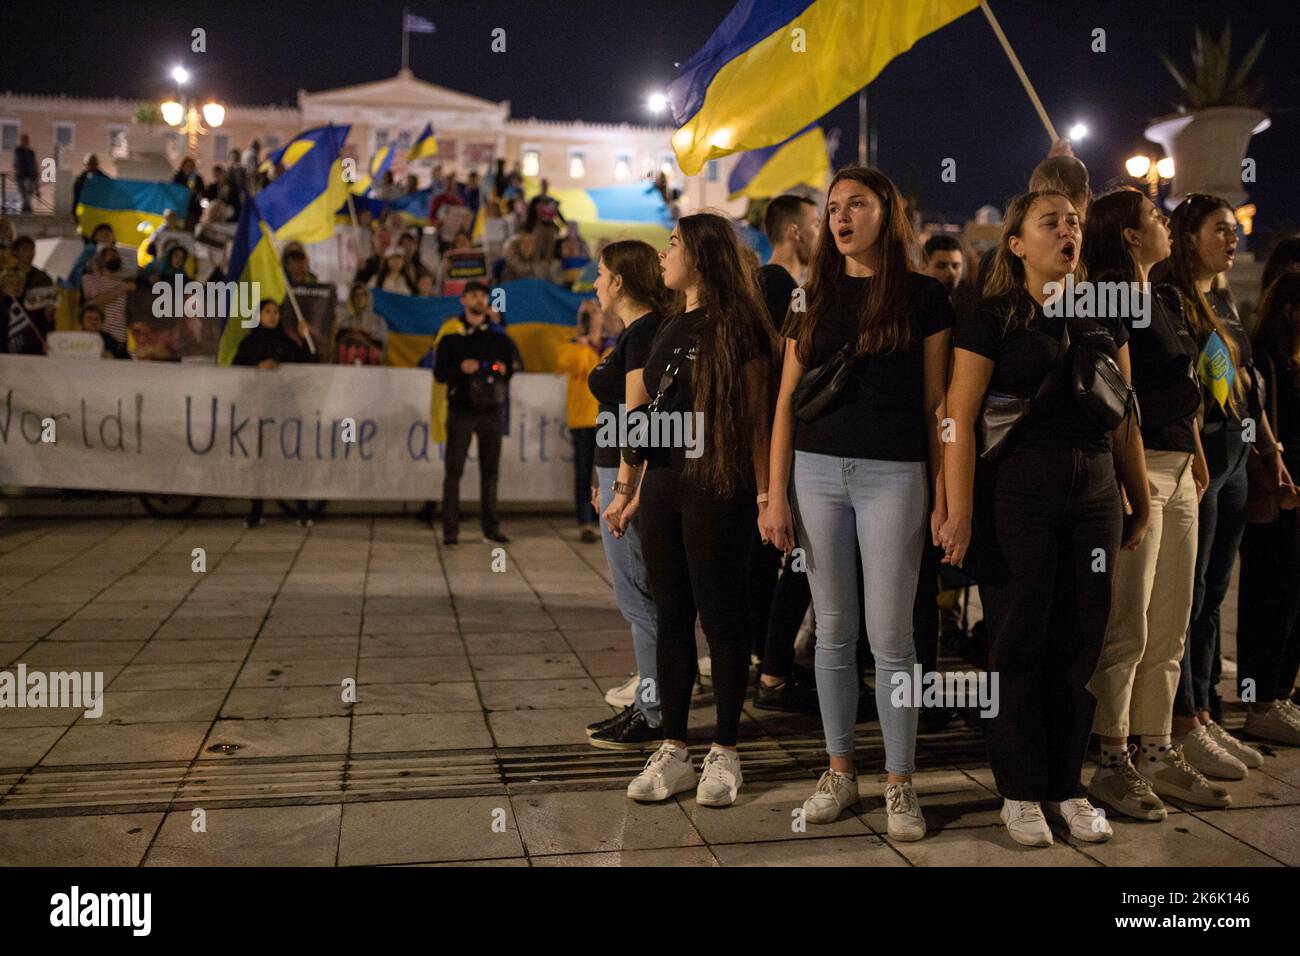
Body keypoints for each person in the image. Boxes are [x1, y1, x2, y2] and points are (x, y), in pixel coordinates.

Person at [941, 189, 1150, 848]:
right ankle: (1019, 788)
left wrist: (1138, 495)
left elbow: (1123, 414)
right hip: (1019, 494)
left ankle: (1068, 784)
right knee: (1018, 640)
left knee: (1082, 640)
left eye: (1075, 223)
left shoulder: (1101, 315)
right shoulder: (993, 316)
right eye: (1051, 222)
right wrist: (960, 511)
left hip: (1092, 492)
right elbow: (959, 416)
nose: (1068, 231)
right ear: (1016, 243)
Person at [759, 167, 953, 836]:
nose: (841, 218)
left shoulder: (926, 298)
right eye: (834, 208)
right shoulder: (811, 296)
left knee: (892, 637)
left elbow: (936, 407)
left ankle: (901, 783)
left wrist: (947, 495)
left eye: (857, 205)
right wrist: (773, 493)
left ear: (887, 213)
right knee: (834, 633)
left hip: (894, 475)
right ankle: (839, 771)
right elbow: (784, 402)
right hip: (814, 473)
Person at [605, 213, 777, 808]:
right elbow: (654, 414)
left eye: (673, 243)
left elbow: (759, 419)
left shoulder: (743, 326)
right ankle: (674, 747)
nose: (663, 254)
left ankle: (726, 751)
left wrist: (766, 496)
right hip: (665, 486)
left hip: (719, 486)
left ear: (702, 255)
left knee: (722, 619)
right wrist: (629, 491)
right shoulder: (671, 324)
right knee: (672, 617)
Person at [1082, 188, 1233, 818]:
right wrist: (1133, 480)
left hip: (1179, 466)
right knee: (1129, 624)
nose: (1166, 226)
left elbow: (1186, 383)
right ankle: (1111, 757)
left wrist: (1197, 448)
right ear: (1128, 236)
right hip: (1140, 471)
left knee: (1172, 617)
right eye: (1153, 218)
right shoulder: (1105, 302)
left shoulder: (1164, 298)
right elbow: (1120, 400)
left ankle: (1155, 748)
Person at [1153, 194, 1291, 777]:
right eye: (1220, 230)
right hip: (1201, 461)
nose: (1233, 239)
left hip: (1236, 463)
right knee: (1185, 599)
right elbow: (1192, 389)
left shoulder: (1222, 296)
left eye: (1235, 230)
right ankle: (1181, 721)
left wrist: (1270, 449)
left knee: (1212, 595)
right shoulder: (1172, 298)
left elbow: (1244, 381)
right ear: (1188, 236)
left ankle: (1206, 712)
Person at [583, 240, 678, 749]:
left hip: (628, 482)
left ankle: (655, 712)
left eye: (600, 274)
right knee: (639, 599)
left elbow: (638, 420)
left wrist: (624, 487)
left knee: (640, 600)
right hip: (613, 477)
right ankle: (651, 701)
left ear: (619, 281)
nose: (595, 283)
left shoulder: (643, 336)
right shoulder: (635, 334)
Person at [1237, 271, 1300, 745]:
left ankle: (1277, 693)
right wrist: (1270, 479)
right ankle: (1259, 699)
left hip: (1288, 492)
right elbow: (1249, 425)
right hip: (1276, 495)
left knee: (1290, 599)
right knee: (1268, 597)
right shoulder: (1268, 361)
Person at [433, 281, 521, 545]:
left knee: (490, 471)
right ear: (463, 300)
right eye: (473, 295)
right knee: (454, 471)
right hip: (461, 409)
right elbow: (439, 374)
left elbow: (512, 367)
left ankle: (490, 528)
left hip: (491, 410)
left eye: (482, 295)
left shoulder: (498, 337)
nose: (479, 300)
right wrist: (461, 367)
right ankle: (450, 530)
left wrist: (503, 369)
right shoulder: (451, 335)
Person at [233, 300, 316, 528]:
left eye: (275, 312)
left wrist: (305, 339)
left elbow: (308, 364)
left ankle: (302, 508)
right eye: (267, 312)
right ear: (259, 316)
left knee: (292, 458)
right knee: (259, 460)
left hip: (286, 410)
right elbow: (235, 372)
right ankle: (256, 510)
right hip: (259, 410)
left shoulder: (287, 342)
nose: (272, 316)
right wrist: (257, 368)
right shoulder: (249, 343)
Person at [555, 300, 605, 543]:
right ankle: (585, 522)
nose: (589, 319)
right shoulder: (572, 347)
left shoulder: (611, 347)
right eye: (584, 315)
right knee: (583, 472)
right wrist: (582, 343)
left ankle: (603, 516)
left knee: (607, 471)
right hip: (583, 419)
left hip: (608, 419)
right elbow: (570, 365)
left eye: (592, 313)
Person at [80, 245, 132, 347]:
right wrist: (122, 289)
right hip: (98, 335)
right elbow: (92, 303)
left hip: (120, 338)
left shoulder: (125, 283)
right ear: (101, 260)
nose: (115, 258)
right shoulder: (90, 279)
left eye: (117, 256)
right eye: (111, 255)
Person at [9, 236, 55, 336]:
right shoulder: (7, 276)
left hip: (36, 327)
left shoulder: (44, 277)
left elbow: (49, 304)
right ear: (15, 252)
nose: (30, 252)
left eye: (32, 249)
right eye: (25, 249)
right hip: (12, 325)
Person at [334, 283, 389, 365]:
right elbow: (338, 341)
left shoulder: (379, 321)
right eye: (356, 295)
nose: (360, 298)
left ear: (368, 298)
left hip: (371, 361)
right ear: (352, 299)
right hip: (348, 359)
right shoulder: (346, 321)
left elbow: (383, 346)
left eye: (362, 295)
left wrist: (365, 336)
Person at [1, 269, 45, 354]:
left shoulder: (31, 308)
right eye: (11, 283)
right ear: (2, 285)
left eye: (20, 283)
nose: (16, 286)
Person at [72, 154, 110, 224]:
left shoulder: (105, 180)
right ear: (86, 165)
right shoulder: (80, 180)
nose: (91, 167)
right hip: (85, 213)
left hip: (99, 214)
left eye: (93, 164)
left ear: (96, 165)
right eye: (90, 165)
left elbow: (110, 195)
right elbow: (76, 198)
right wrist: (75, 215)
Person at [172, 157, 205, 229]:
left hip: (193, 208)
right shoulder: (178, 177)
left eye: (191, 166)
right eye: (187, 166)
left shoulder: (197, 178)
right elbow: (174, 190)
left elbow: (202, 190)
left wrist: (196, 192)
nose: (189, 168)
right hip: (180, 207)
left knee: (191, 226)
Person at [13, 134, 38, 214]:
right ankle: (26, 208)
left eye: (27, 139)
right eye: (25, 139)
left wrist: (35, 174)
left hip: (30, 175)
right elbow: (15, 163)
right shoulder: (18, 151)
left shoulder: (31, 152)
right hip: (22, 175)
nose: (26, 141)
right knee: (24, 193)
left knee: (29, 193)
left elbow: (34, 164)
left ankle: (27, 208)